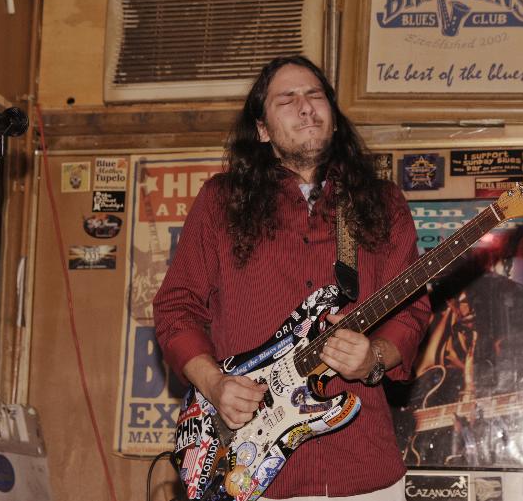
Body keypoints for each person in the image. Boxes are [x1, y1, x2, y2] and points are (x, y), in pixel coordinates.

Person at [153, 55, 430, 500]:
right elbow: (176, 307)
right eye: (287, 99)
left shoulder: (382, 202)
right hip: (246, 467)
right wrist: (215, 384)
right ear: (262, 130)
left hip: (361, 466)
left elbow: (411, 311)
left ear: (333, 119)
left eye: (315, 96)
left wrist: (375, 357)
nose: (305, 107)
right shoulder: (220, 201)